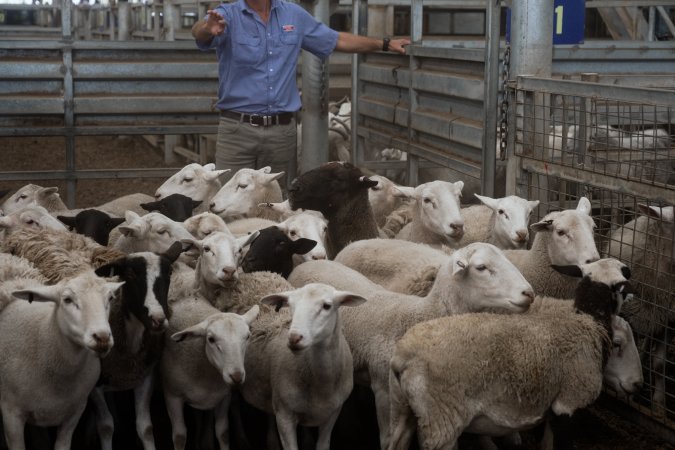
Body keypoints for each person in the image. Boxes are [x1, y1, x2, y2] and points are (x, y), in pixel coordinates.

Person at [191, 0, 410, 189]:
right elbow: (199, 33)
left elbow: (336, 40)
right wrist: (206, 28)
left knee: (275, 200)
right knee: (228, 199)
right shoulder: (227, 15)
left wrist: (384, 43)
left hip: (281, 132)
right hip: (237, 130)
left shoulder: (293, 15)